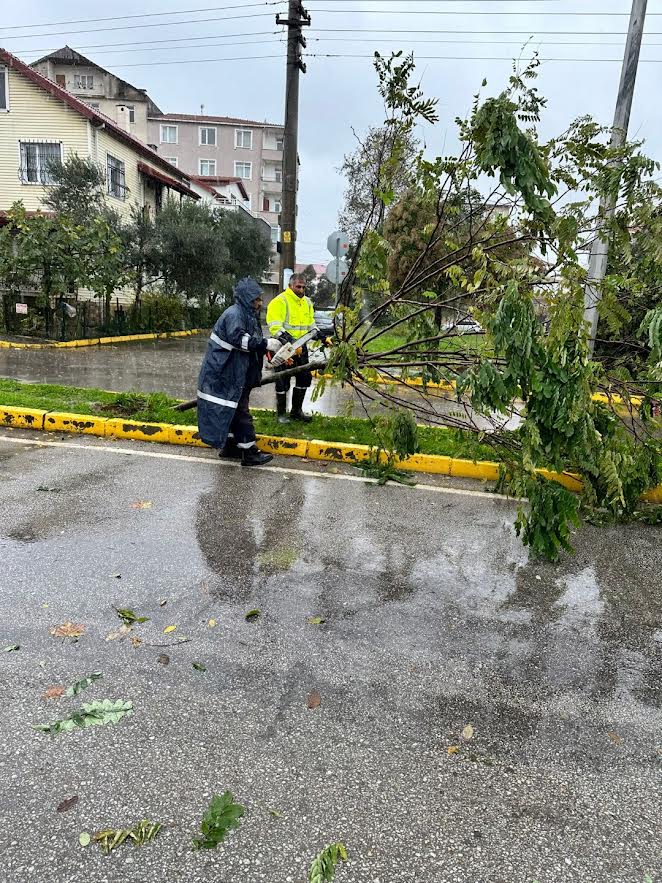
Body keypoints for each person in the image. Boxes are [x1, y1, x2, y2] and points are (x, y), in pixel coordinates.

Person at [197, 277, 280, 467]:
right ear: (246, 298)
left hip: (233, 371)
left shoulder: (246, 313)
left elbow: (252, 340)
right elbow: (240, 340)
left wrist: (266, 349)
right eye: (256, 299)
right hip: (227, 371)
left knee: (232, 408)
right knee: (241, 410)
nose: (260, 303)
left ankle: (231, 446)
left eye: (260, 299)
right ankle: (250, 453)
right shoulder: (235, 314)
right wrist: (266, 343)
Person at [266, 272, 315, 423]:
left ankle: (296, 411)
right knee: (282, 381)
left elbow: (311, 324)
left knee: (304, 378)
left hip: (302, 348)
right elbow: (275, 327)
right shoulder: (280, 301)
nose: (301, 290)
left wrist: (322, 336)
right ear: (290, 286)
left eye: (303, 287)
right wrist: (292, 343)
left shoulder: (307, 302)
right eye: (298, 287)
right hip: (283, 347)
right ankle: (281, 414)